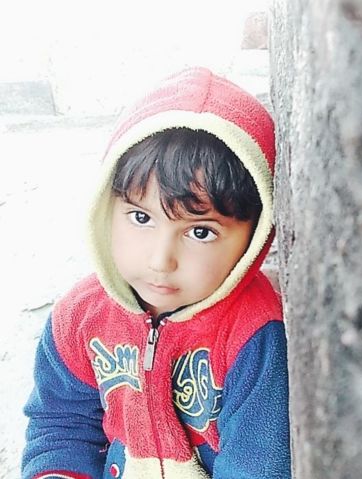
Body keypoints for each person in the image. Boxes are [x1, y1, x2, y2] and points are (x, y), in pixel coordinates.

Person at [21, 67, 290, 479]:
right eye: (141, 218)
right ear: (107, 207)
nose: (161, 260)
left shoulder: (256, 335)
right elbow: (61, 425)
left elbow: (260, 465)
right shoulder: (79, 318)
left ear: (254, 237)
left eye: (200, 232)